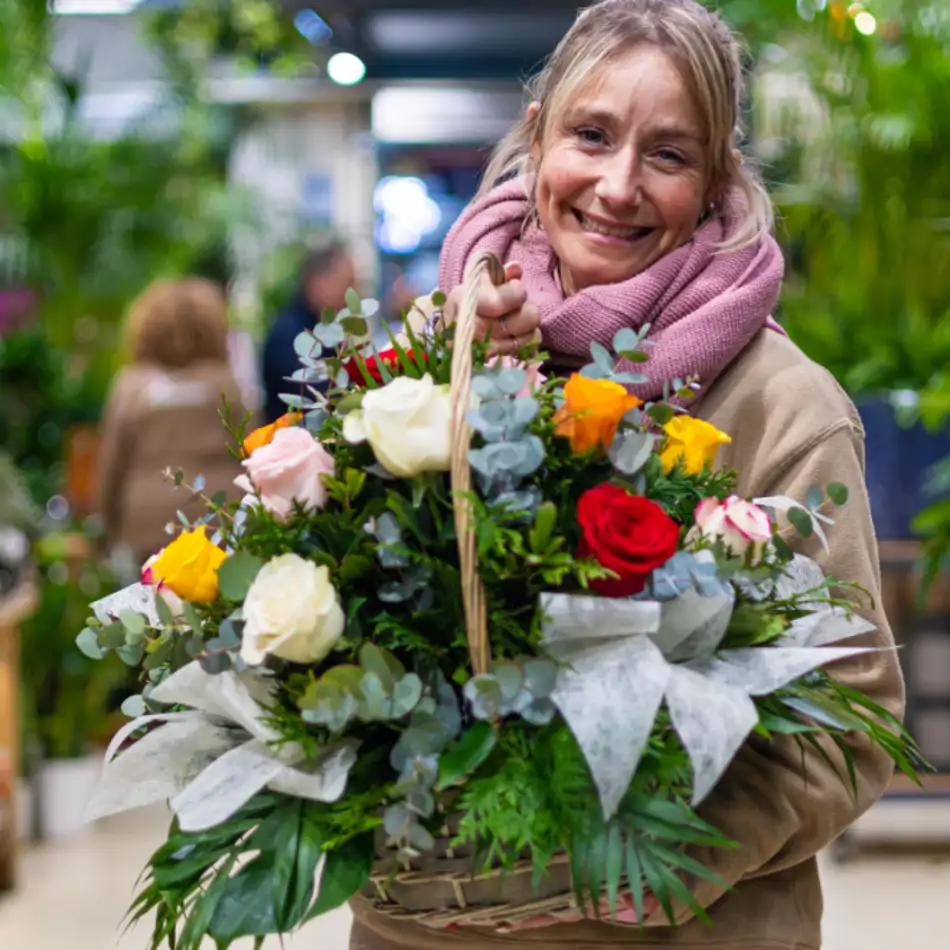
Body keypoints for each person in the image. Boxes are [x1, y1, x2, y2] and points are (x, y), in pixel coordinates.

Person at [350, 2, 903, 949]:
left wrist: (634, 859)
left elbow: (851, 722)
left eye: (670, 155)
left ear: (719, 180)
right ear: (537, 139)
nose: (617, 186)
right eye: (592, 136)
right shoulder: (433, 361)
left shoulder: (784, 408)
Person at [96, 278, 249, 566]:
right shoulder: (226, 384)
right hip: (218, 514)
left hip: (147, 522)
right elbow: (250, 449)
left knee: (155, 599)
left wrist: (106, 523)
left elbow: (111, 464)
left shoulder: (130, 386)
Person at [261, 241, 356, 423]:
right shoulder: (288, 336)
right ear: (317, 283)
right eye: (347, 285)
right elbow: (321, 399)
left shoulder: (324, 331)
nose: (354, 296)